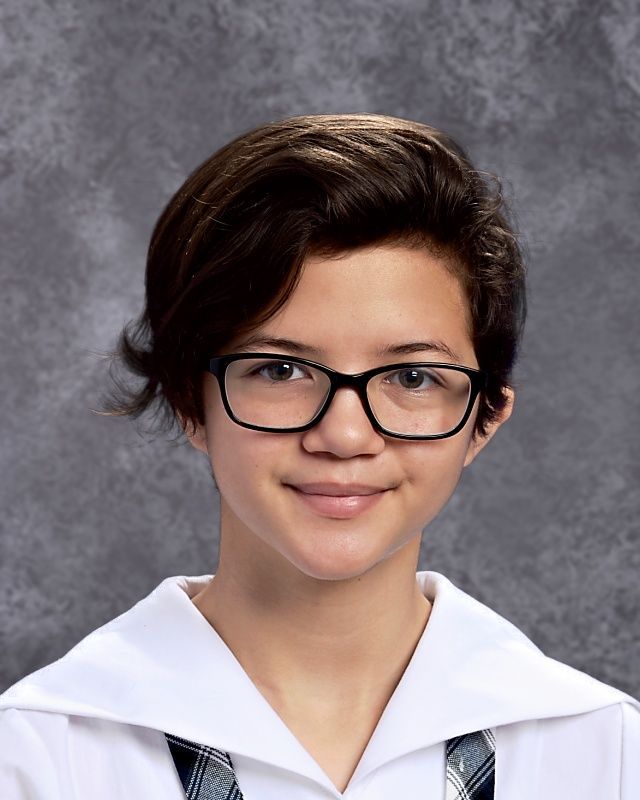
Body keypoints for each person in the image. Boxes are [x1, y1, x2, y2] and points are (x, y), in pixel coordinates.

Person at [0, 113, 637, 799]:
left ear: (483, 419)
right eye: (280, 370)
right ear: (191, 401)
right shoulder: (41, 754)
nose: (345, 436)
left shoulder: (601, 751)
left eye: (413, 378)